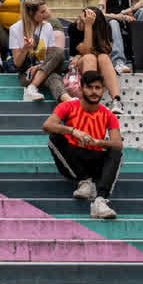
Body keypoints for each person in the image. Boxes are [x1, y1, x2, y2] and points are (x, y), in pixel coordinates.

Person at [43, 66, 121, 219]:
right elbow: (47, 125)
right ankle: (84, 181)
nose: (94, 91)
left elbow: (118, 143)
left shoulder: (108, 114)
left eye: (98, 88)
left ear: (103, 90)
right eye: (89, 87)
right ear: (81, 88)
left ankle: (100, 201)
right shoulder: (68, 106)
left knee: (116, 151)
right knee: (55, 137)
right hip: (73, 159)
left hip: (95, 158)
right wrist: (73, 131)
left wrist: (98, 142)